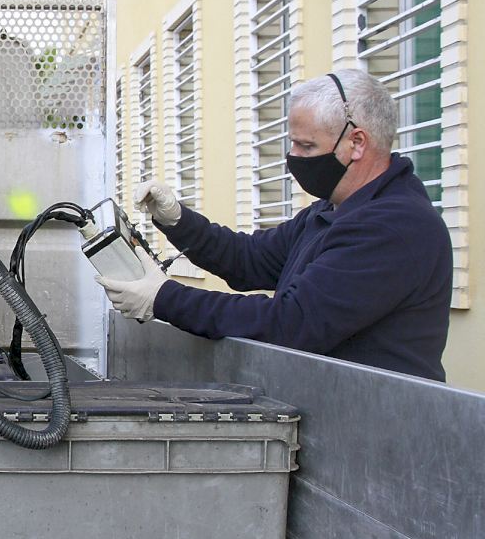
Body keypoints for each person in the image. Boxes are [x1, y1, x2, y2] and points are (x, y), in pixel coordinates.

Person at [97, 70, 452, 381]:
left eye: (306, 146)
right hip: (338, 411)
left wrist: (165, 298)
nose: (293, 157)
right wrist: (176, 219)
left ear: (356, 142)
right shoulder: (329, 212)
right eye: (292, 143)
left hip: (377, 424)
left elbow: (291, 323)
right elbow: (248, 259)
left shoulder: (395, 226)